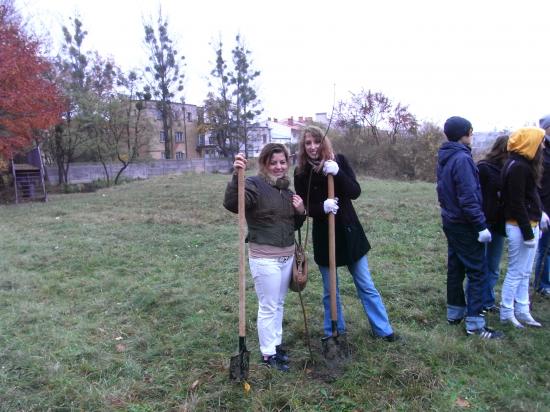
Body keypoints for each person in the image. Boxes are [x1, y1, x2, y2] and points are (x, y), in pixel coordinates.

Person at [293, 126, 397, 342]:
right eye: (308, 143)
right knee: (330, 290)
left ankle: (383, 330)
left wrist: (337, 172)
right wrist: (323, 207)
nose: (313, 147)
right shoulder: (301, 172)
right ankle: (333, 330)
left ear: (324, 142)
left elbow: (355, 191)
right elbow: (303, 207)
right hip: (324, 235)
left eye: (316, 141)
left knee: (365, 284)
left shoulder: (338, 159)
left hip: (348, 232)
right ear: (303, 147)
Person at [223, 143, 306, 371]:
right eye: (273, 163)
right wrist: (235, 176)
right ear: (264, 164)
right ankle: (268, 354)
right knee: (268, 305)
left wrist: (300, 211)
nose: (278, 167)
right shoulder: (253, 184)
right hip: (264, 257)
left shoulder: (286, 190)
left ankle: (276, 345)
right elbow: (233, 204)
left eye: (282, 162)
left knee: (279, 303)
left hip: (287, 256)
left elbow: (293, 223)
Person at [436, 116, 504, 339]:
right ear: (464, 133)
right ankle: (475, 325)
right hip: (464, 223)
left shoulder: (445, 156)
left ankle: (454, 314)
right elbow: (468, 196)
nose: (472, 136)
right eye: (471, 132)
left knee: (455, 268)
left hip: (451, 220)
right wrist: (480, 225)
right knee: (477, 270)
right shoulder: (462, 159)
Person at [500, 127, 546, 328]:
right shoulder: (518, 167)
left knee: (525, 272)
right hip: (519, 227)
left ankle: (522, 310)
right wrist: (528, 232)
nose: (543, 145)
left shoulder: (524, 165)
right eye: (541, 141)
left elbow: (530, 196)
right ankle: (506, 312)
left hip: (529, 224)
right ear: (530, 143)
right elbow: (516, 202)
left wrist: (540, 214)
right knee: (516, 271)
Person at [477, 135, 509, 312]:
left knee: (494, 265)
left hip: (499, 223)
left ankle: (487, 301)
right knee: (480, 264)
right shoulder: (484, 168)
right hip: (484, 222)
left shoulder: (509, 168)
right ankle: (476, 300)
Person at [533, 114, 550, 297]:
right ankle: (542, 284)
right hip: (543, 206)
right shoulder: (539, 151)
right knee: (544, 248)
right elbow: (533, 184)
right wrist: (540, 210)